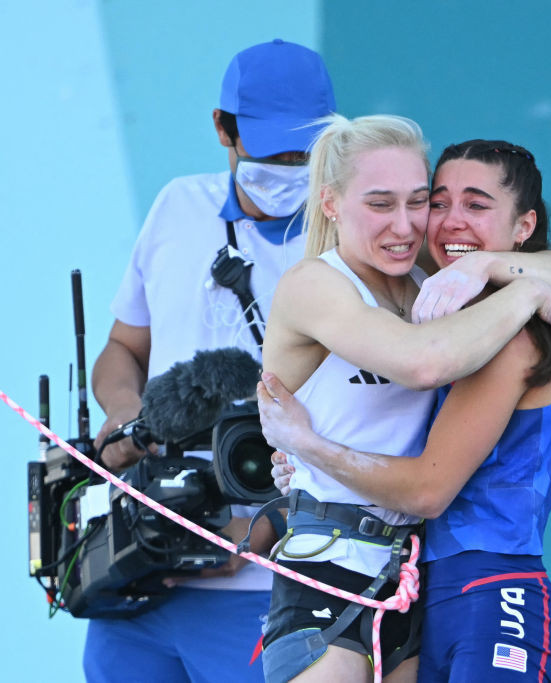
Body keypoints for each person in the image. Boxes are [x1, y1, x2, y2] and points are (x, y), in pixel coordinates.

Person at [255, 122, 551, 683]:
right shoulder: (318, 283)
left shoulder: (435, 284)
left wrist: (497, 271)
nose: (408, 224)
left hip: (426, 581)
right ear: (331, 202)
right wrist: (524, 286)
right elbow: (423, 365)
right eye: (381, 203)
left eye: (417, 202)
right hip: (336, 567)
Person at [84, 39, 336, 682]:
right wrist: (126, 415)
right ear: (222, 128)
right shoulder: (176, 206)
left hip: (272, 592)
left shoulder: (353, 244)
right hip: (139, 579)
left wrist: (257, 534)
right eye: (270, 148)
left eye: (302, 152)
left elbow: (371, 424)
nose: (287, 165)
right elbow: (122, 349)